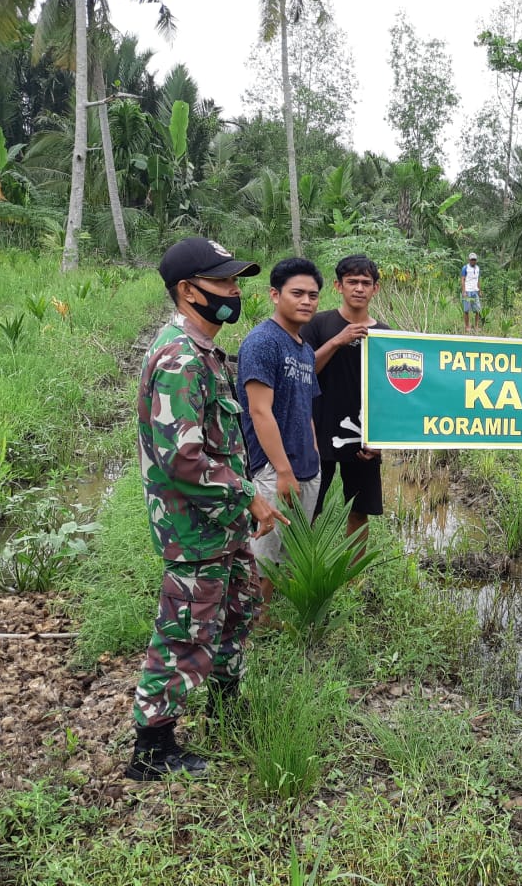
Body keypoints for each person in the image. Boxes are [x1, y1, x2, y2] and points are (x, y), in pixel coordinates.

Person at [127, 237, 288, 782]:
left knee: (237, 608)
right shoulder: (179, 358)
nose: (232, 292)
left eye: (234, 281)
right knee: (184, 630)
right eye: (221, 283)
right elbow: (183, 458)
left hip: (222, 525)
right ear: (186, 290)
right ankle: (153, 747)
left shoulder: (208, 353)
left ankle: (223, 702)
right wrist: (249, 495)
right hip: (195, 528)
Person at [237, 258, 323, 622]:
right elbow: (260, 412)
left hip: (306, 467)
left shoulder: (303, 348)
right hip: (275, 469)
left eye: (313, 295)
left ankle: (268, 621)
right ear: (275, 295)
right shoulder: (262, 342)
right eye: (297, 293)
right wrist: (283, 470)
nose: (306, 301)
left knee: (289, 553)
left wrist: (314, 456)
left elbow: (306, 410)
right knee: (264, 554)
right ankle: (251, 629)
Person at [301, 254, 388, 547]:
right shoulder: (318, 324)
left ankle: (353, 578)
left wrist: (381, 439)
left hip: (363, 435)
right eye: (352, 282)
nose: (359, 288)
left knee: (360, 511)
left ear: (376, 288)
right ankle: (299, 571)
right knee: (308, 508)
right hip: (318, 430)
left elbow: (392, 395)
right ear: (338, 286)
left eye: (366, 283)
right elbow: (303, 371)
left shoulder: (386, 335)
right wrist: (338, 340)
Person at [460, 252, 481, 332]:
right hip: (467, 291)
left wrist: (479, 290)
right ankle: (467, 326)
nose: (473, 261)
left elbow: (478, 280)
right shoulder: (465, 268)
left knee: (477, 310)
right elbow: (462, 279)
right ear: (469, 260)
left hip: (475, 291)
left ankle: (476, 326)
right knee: (466, 310)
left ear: (476, 260)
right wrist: (464, 291)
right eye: (472, 259)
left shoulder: (478, 268)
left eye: (474, 260)